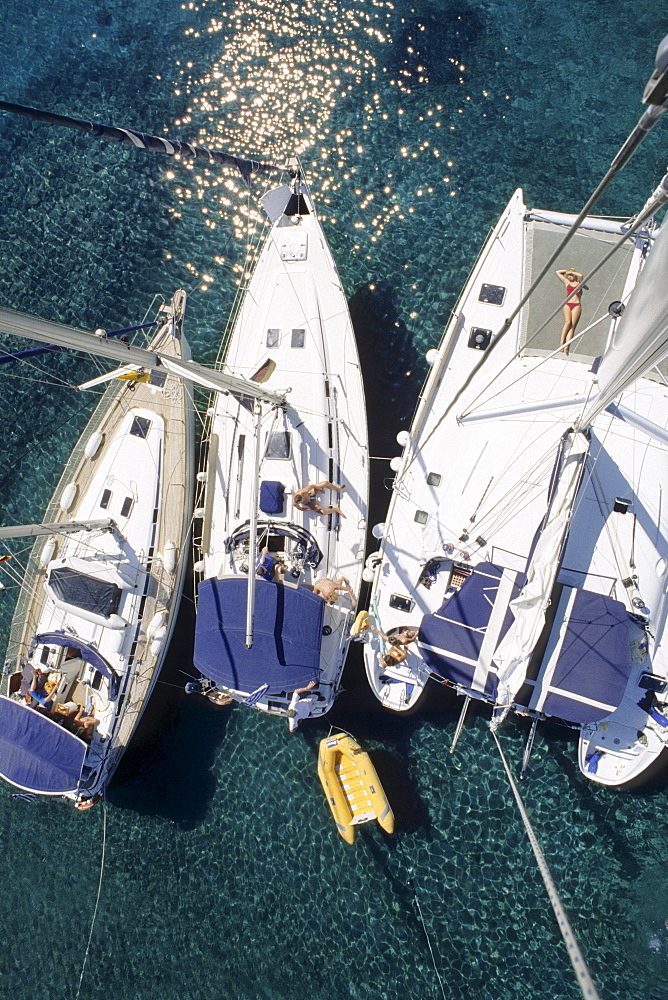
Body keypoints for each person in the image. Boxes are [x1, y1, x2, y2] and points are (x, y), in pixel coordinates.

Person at [555, 267, 584, 354]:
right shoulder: (567, 282)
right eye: (568, 275)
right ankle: (561, 342)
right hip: (568, 304)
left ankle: (567, 346)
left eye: (571, 275)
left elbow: (581, 275)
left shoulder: (579, 283)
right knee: (568, 322)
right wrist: (567, 271)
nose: (570, 277)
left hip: (576, 305)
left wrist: (573, 272)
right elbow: (557, 272)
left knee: (572, 326)